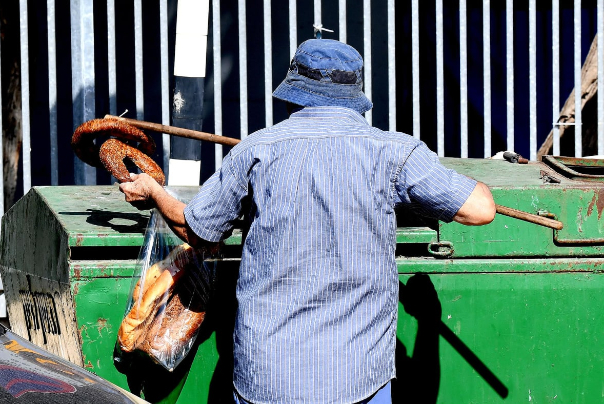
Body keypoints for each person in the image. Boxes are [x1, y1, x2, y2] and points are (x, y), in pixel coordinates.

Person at [120, 39, 495, 404]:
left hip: (267, 380)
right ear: (356, 95)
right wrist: (428, 320)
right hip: (357, 381)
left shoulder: (255, 149)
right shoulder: (395, 152)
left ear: (293, 91)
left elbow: (196, 230)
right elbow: (481, 209)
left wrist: (154, 192)